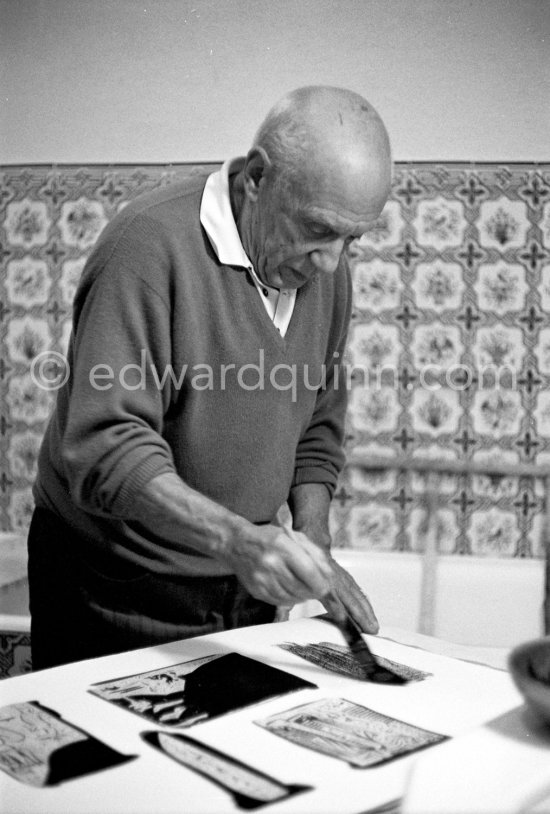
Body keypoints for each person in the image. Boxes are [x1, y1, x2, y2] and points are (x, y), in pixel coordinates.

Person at [28, 85, 392, 669]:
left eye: (353, 239)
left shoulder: (324, 271)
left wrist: (313, 535)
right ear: (256, 178)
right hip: (112, 594)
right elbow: (103, 448)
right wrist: (239, 542)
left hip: (239, 597)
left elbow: (318, 418)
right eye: (319, 229)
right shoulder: (145, 249)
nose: (332, 261)